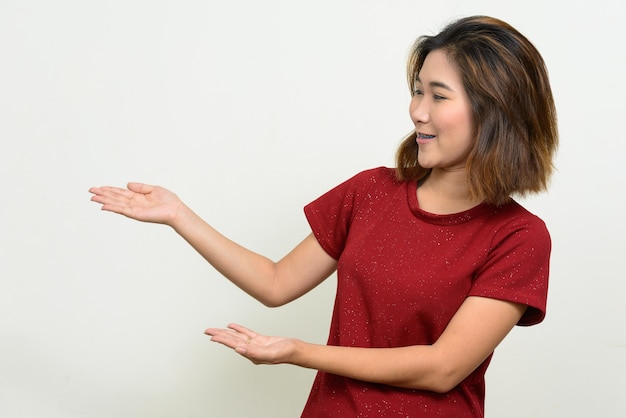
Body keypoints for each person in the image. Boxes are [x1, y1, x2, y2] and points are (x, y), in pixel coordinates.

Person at [89, 15, 558, 417]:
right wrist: (179, 215)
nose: (416, 111)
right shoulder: (371, 192)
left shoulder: (519, 238)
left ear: (495, 110)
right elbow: (275, 282)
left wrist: (298, 352)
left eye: (438, 96)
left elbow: (443, 368)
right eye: (417, 92)